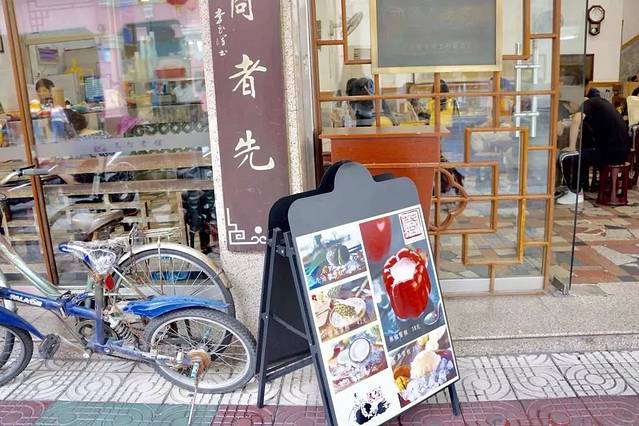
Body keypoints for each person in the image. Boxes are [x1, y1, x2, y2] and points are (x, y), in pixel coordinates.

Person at [557, 89, 631, 205]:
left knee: (569, 157)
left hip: (612, 152)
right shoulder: (598, 103)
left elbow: (576, 121)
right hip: (620, 150)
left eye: (569, 110)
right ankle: (576, 187)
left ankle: (575, 194)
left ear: (571, 103)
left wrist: (571, 147)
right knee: (581, 154)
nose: (571, 113)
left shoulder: (588, 104)